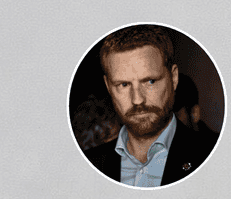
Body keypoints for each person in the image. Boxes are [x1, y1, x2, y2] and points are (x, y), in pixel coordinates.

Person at [84, 25, 214, 187]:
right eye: (123, 84)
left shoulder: (215, 155)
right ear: (108, 87)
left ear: (173, 78)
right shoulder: (86, 165)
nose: (137, 100)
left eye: (150, 81)